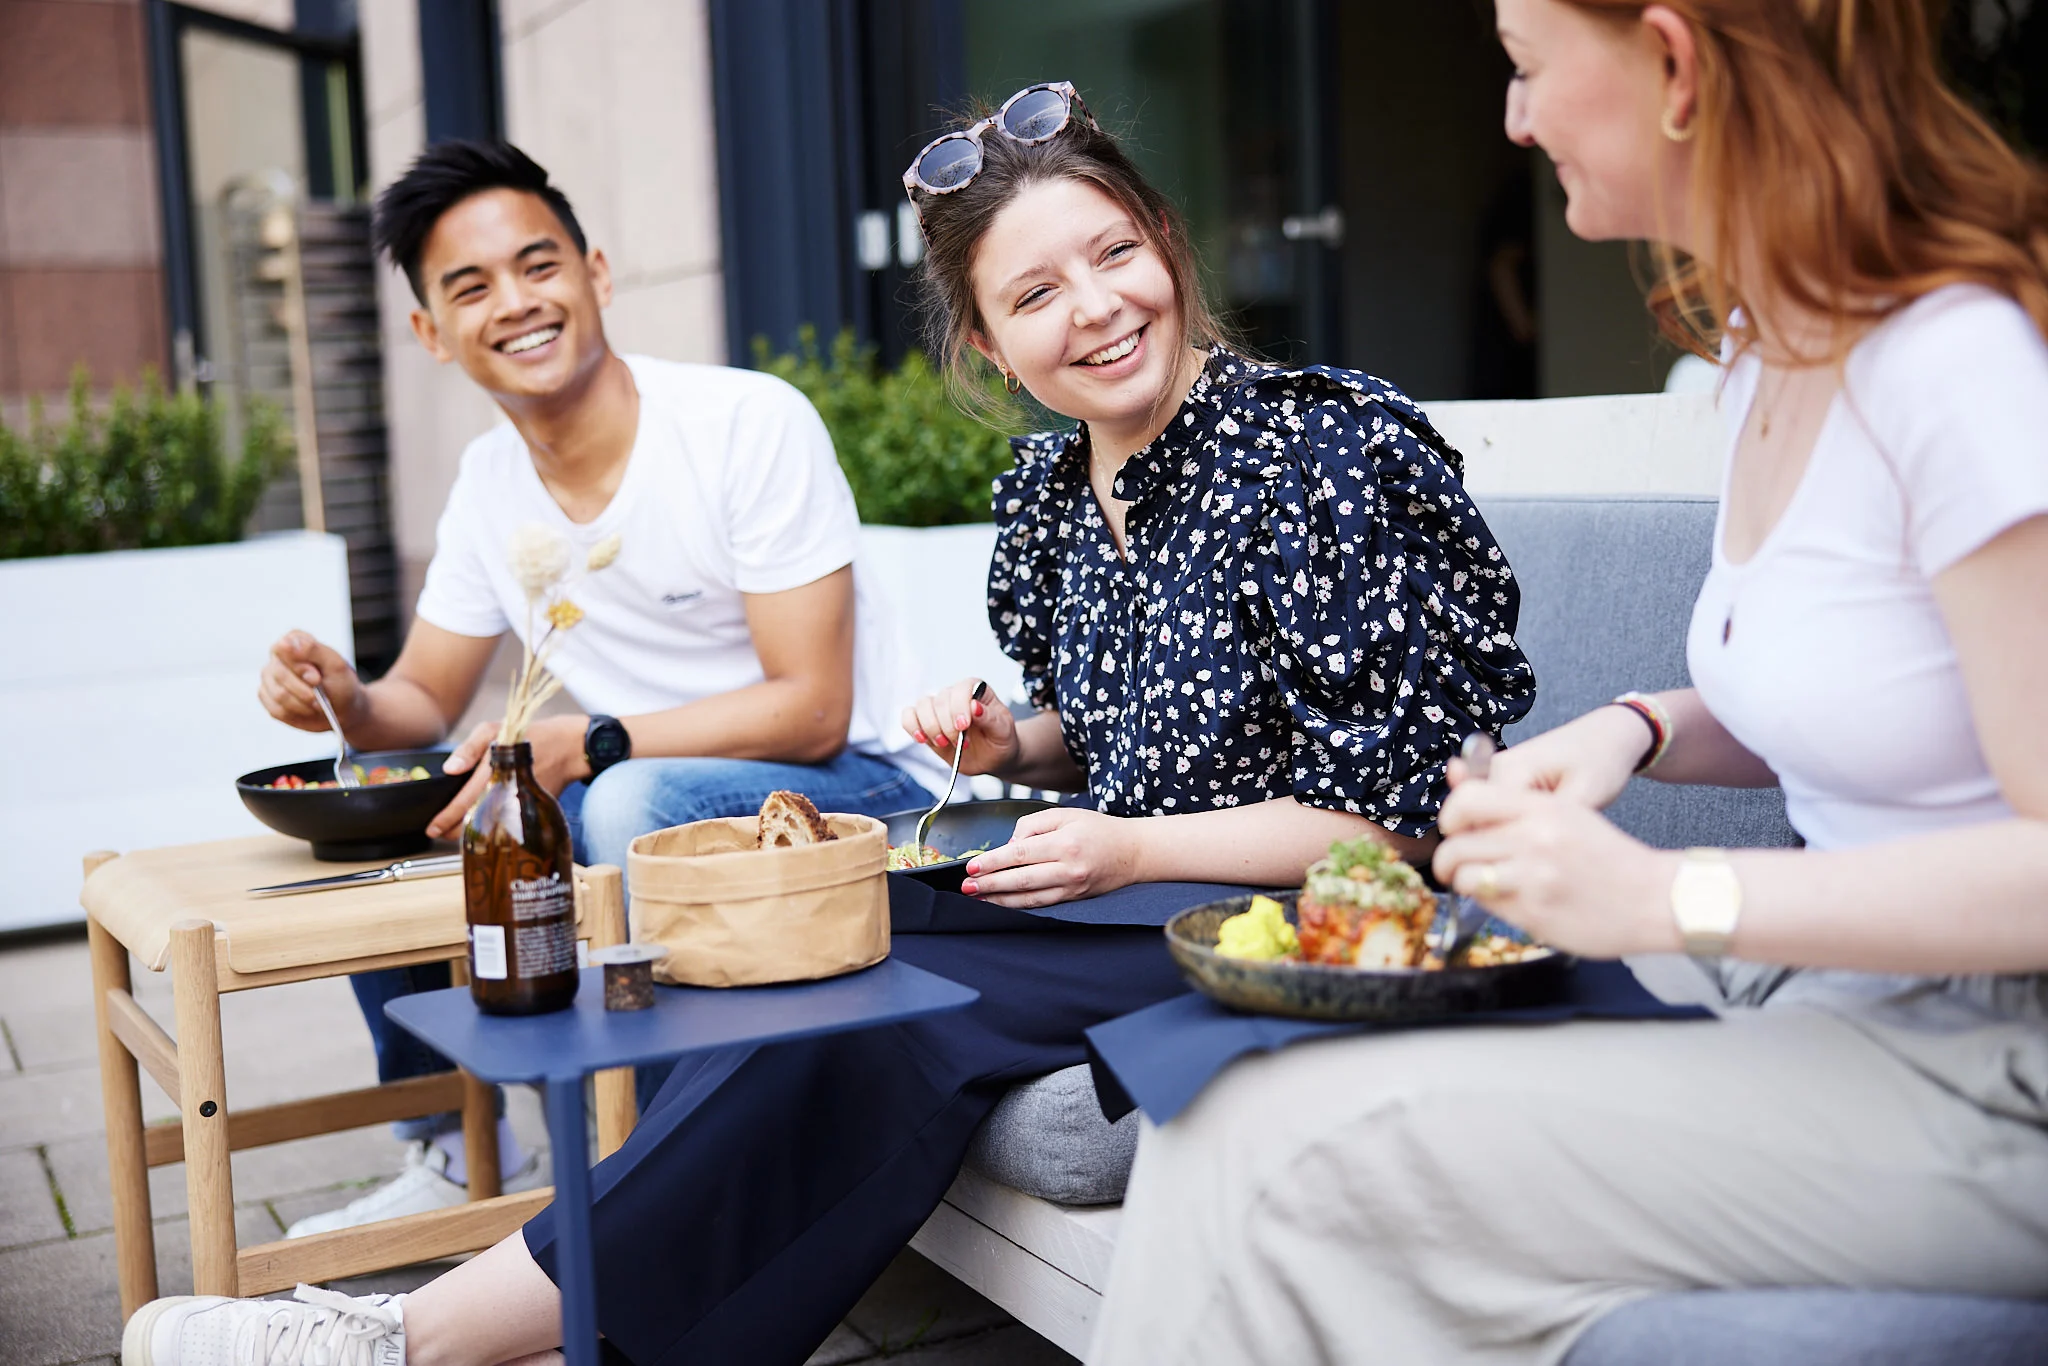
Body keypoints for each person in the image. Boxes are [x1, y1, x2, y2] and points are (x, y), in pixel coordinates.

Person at [122, 85, 1532, 1366]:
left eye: (1114, 256)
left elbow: (1401, 817)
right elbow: (1121, 732)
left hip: (1303, 923)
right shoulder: (1055, 493)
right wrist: (1015, 743)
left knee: (888, 1025)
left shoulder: (1323, 448)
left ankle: (418, 1337)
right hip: (1124, 882)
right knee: (816, 946)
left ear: (1167, 241)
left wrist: (1125, 847)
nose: (1096, 309)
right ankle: (552, 1319)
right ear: (987, 339)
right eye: (1035, 292)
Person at [1087, 3, 2048, 1362]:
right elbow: (1900, 697)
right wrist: (1633, 728)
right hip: (1818, 997)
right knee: (1225, 1096)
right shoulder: (1774, 352)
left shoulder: (1959, 365)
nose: (1514, 119)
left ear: (1676, 60)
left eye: (1529, 68)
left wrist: (1666, 893)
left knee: (1278, 1156)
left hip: (1998, 1077)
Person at [250, 140, 940, 1236]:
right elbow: (422, 698)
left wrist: (597, 740)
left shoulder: (741, 425)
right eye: (469, 287)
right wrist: (343, 700)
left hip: (853, 792)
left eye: (538, 265)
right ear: (430, 332)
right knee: (410, 809)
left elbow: (810, 706)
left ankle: (670, 1170)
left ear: (596, 275)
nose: (515, 303)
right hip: (635, 776)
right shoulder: (487, 485)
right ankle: (446, 1144)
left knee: (613, 803)